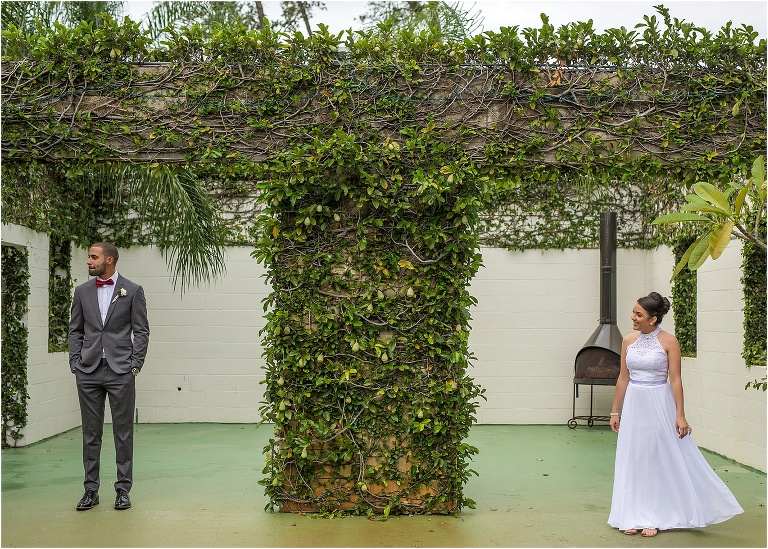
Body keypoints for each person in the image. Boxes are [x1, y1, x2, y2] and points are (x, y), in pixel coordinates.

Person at [607, 292, 743, 536]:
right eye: (634, 312)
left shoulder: (669, 341)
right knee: (634, 457)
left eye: (639, 314)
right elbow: (623, 378)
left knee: (657, 459)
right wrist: (615, 411)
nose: (633, 317)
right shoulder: (628, 340)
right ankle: (631, 514)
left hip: (659, 403)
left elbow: (676, 380)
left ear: (654, 318)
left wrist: (680, 415)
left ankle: (654, 517)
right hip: (635, 405)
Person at [69, 242, 149, 511]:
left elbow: (141, 331)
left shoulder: (133, 291)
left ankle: (123, 491)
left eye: (94, 257)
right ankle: (90, 490)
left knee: (123, 433)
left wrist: (135, 365)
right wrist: (75, 363)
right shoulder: (81, 292)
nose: (89, 261)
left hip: (121, 372)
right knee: (91, 434)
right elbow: (75, 330)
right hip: (88, 371)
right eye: (89, 257)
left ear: (110, 260)